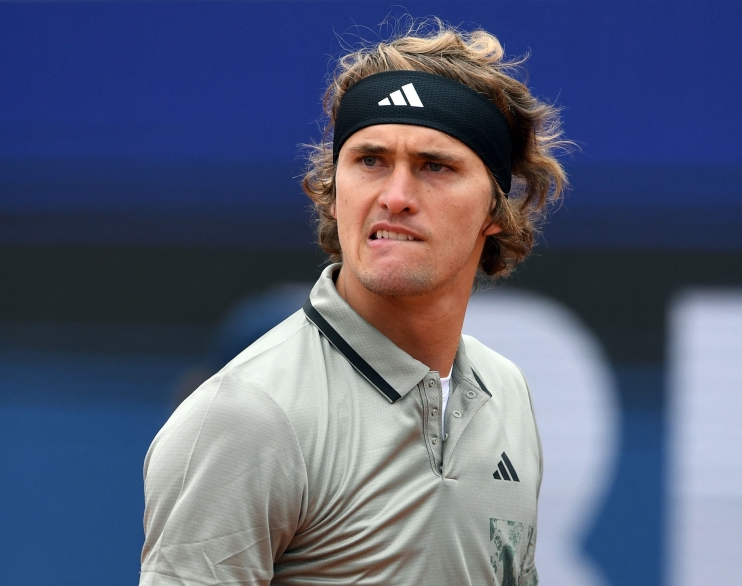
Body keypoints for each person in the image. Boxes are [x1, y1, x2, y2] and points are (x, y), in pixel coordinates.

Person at [140, 20, 568, 586]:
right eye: (370, 160)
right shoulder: (245, 416)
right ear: (334, 191)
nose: (395, 196)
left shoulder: (506, 392)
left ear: (495, 208)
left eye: (435, 166)